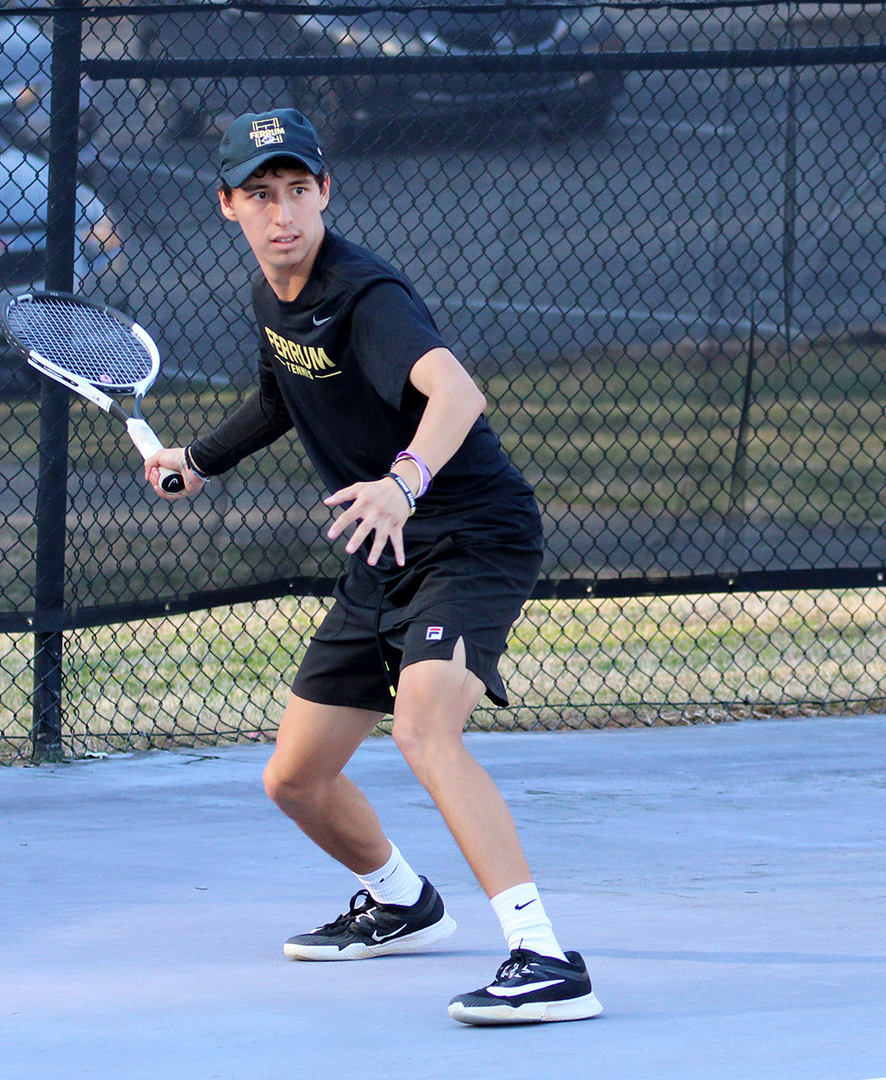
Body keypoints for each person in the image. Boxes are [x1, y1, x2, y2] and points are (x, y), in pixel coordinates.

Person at [141, 108, 600, 1026]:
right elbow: (283, 394)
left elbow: (458, 391)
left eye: (299, 191)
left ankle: (544, 956)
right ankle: (401, 899)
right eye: (261, 195)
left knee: (425, 728)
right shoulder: (275, 295)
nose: (283, 215)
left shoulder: (367, 294)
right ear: (228, 205)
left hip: (469, 533)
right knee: (295, 780)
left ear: (325, 193)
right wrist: (197, 460)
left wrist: (404, 479)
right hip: (382, 550)